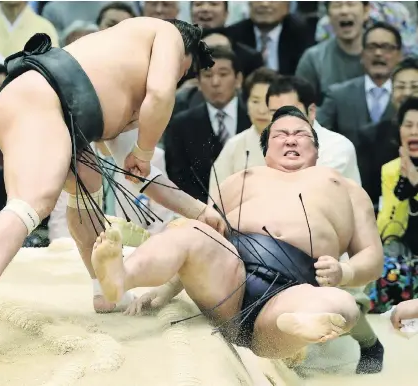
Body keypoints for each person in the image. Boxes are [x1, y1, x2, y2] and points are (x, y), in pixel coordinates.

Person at [0, 17, 226, 359]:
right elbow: (160, 94)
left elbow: (142, 176)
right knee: (32, 202)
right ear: (185, 53)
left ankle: (104, 289)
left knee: (88, 180)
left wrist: (200, 210)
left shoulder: (121, 84)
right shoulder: (166, 33)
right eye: (183, 71)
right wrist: (144, 148)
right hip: (40, 98)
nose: (178, 76)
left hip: (46, 107)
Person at [92, 105, 384, 361]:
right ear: (266, 149)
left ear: (317, 150)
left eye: (302, 134)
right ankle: (122, 278)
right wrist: (167, 289)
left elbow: (372, 256)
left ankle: (296, 327)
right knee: (192, 230)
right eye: (280, 135)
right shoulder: (240, 179)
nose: (291, 138)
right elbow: (204, 239)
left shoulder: (346, 189)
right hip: (230, 277)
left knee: (342, 305)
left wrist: (344, 272)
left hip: (297, 288)